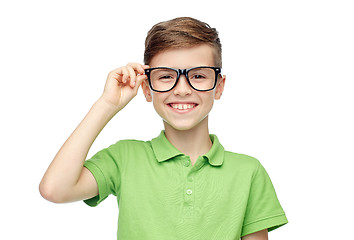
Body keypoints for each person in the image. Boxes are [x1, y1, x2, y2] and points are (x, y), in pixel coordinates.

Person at [39, 17, 288, 239]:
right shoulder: (124, 158)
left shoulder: (248, 171)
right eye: (166, 76)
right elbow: (54, 189)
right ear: (147, 88)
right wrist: (107, 104)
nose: (182, 89)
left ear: (219, 86)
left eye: (198, 76)